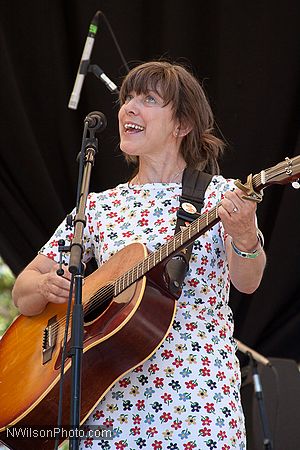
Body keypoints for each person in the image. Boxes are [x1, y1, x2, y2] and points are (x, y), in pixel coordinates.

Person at [12, 61, 266, 450]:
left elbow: (248, 283)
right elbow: (23, 291)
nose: (128, 108)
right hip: (110, 404)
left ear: (182, 125)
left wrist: (246, 236)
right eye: (127, 98)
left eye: (148, 99)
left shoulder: (222, 195)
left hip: (198, 403)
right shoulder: (98, 207)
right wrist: (46, 284)